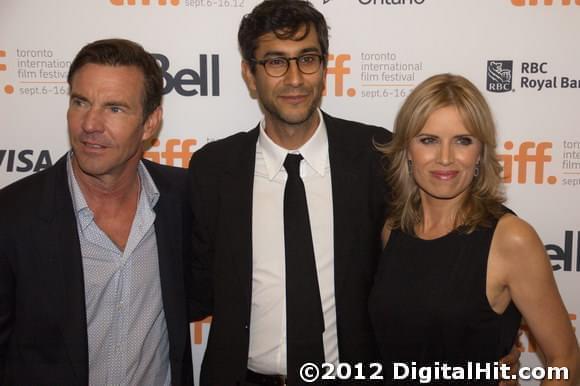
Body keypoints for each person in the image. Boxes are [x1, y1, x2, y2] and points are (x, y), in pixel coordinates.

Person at [188, 0, 390, 384]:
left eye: (307, 59)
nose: (295, 78)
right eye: (276, 62)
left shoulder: (377, 156)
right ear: (250, 74)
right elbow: (193, 284)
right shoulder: (213, 169)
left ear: (324, 67)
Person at [0, 39, 197, 385]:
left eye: (114, 108)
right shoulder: (11, 216)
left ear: (150, 124)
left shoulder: (183, 199)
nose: (90, 123)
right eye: (80, 102)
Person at [369, 73, 580, 385]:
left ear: (480, 153)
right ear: (407, 150)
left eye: (463, 141)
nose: (445, 158)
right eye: (428, 140)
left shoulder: (510, 239)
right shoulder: (394, 229)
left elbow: (566, 361)